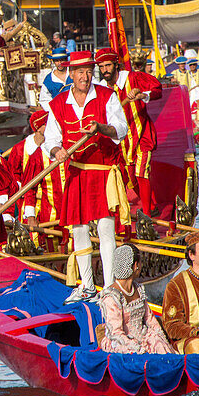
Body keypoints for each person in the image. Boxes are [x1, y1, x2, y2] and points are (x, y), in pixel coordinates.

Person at [43, 51, 128, 303]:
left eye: (90, 71)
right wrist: (57, 150)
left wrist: (100, 128)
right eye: (80, 72)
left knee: (105, 229)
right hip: (76, 171)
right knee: (79, 229)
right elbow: (51, 138)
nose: (86, 76)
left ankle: (111, 286)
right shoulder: (57, 103)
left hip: (102, 172)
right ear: (70, 74)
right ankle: (88, 286)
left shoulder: (106, 96)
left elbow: (121, 130)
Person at [96, 47, 162, 217]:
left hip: (142, 135)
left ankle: (146, 214)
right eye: (102, 67)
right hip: (121, 140)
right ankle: (152, 205)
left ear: (116, 65)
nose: (105, 70)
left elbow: (157, 89)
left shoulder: (133, 77)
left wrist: (142, 95)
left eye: (108, 66)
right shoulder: (101, 89)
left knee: (141, 172)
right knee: (130, 178)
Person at [98, 245, 176, 354]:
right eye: (140, 263)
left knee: (158, 344)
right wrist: (137, 348)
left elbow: (150, 319)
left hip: (142, 335)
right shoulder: (111, 296)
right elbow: (115, 333)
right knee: (134, 353)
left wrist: (162, 339)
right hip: (119, 341)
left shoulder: (138, 289)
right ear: (136, 266)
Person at [7, 109, 63, 251]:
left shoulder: (63, 147)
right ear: (38, 127)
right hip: (34, 204)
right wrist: (30, 213)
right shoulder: (22, 150)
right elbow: (15, 178)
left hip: (61, 207)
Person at [162, 231, 199, 354]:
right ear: (191, 255)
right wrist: (198, 334)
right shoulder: (176, 284)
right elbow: (172, 325)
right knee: (197, 346)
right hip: (192, 339)